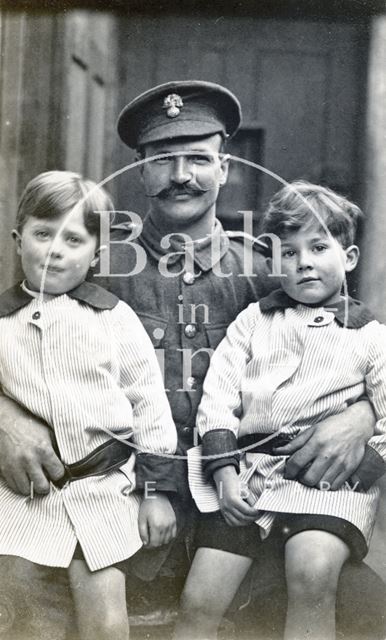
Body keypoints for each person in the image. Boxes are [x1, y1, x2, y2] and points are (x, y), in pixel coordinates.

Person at [0, 82, 382, 637]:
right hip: (113, 509)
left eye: (199, 160)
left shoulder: (267, 273)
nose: (182, 176)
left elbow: (351, 350)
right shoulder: (92, 263)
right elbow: (17, 340)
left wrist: (365, 415)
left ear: (224, 168)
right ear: (140, 170)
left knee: (366, 610)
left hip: (245, 513)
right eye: (162, 160)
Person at [177, 181, 386, 640]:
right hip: (248, 477)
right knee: (200, 597)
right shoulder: (254, 321)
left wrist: (360, 468)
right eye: (287, 253)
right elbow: (219, 398)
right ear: (274, 263)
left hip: (328, 487)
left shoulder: (369, 335)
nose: (303, 262)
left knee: (311, 572)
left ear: (348, 258)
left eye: (318, 247)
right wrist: (224, 473)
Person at [0, 170, 177, 640]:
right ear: (18, 240)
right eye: (42, 234)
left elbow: (150, 406)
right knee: (22, 613)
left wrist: (156, 492)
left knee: (106, 624)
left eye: (73, 239)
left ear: (95, 253)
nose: (54, 250)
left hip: (103, 491)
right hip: (24, 500)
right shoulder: (2, 321)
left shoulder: (113, 318)